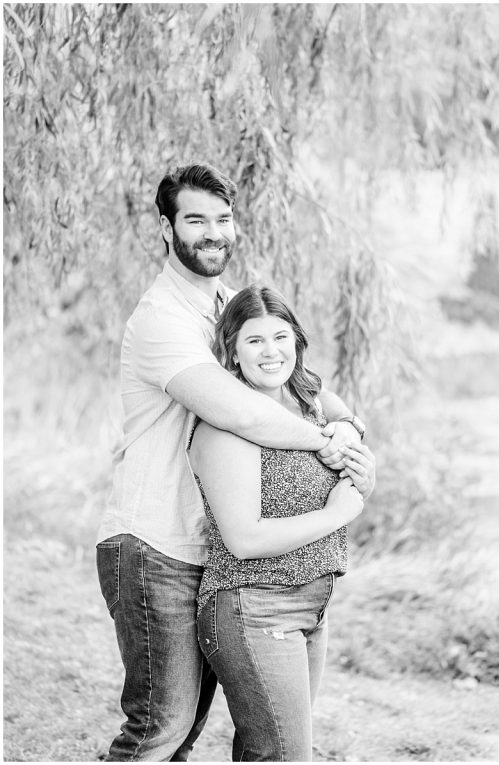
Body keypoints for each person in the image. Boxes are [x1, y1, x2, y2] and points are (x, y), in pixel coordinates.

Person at [96, 164, 375, 761]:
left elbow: (299, 380)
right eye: (195, 220)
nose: (213, 232)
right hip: (155, 544)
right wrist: (324, 445)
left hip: (213, 549)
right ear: (166, 229)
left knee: (195, 733)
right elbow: (242, 413)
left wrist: (349, 431)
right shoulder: (161, 319)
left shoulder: (226, 305)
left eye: (223, 219)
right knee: (161, 728)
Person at [189, 285, 368, 760]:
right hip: (255, 607)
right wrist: (335, 516)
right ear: (231, 350)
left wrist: (355, 443)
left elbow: (344, 416)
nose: (272, 351)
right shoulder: (227, 426)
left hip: (314, 605)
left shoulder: (307, 406)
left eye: (281, 336)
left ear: (297, 341)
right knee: (287, 756)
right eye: (254, 341)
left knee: (266, 750)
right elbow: (244, 539)